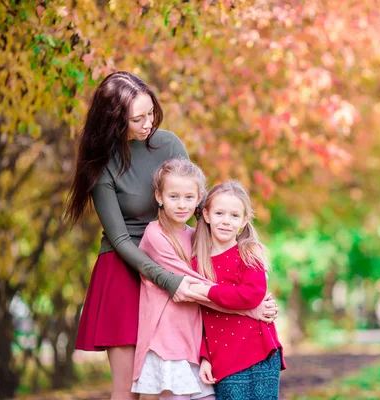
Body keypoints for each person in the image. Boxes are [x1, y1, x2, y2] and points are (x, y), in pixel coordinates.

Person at [64, 72, 278, 400]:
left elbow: (196, 204)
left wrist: (243, 276)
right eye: (137, 118)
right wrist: (168, 281)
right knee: (129, 390)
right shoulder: (102, 164)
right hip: (125, 269)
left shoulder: (168, 143)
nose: (148, 122)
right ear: (113, 121)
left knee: (182, 382)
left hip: (178, 258)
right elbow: (120, 240)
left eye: (150, 112)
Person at [132, 159, 270, 400]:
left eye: (188, 197)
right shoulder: (155, 235)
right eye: (173, 196)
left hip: (194, 340)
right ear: (159, 196)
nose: (181, 204)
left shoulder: (197, 239)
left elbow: (212, 291)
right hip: (168, 339)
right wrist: (250, 308)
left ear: (199, 200)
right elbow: (190, 287)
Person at [191, 181, 286, 399]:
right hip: (223, 356)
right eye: (219, 213)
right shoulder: (197, 264)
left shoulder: (249, 253)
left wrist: (208, 291)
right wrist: (204, 356)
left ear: (244, 221)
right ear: (206, 214)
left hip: (260, 351)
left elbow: (251, 295)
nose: (226, 221)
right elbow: (200, 317)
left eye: (234, 216)